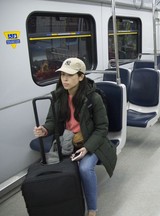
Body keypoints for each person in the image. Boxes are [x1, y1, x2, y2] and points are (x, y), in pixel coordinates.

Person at [33, 57, 117, 216]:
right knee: (53, 166)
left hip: (91, 141)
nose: (64, 79)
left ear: (81, 77)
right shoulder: (58, 97)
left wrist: (87, 148)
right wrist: (44, 130)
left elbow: (102, 128)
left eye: (70, 75)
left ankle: (92, 208)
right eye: (63, 74)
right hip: (68, 140)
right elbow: (52, 120)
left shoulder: (93, 98)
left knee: (85, 168)